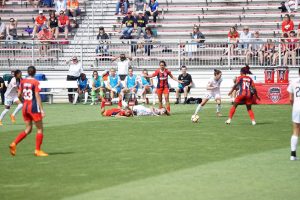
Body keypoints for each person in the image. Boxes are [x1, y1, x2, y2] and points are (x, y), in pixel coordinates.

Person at [9, 66, 48, 157]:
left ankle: (14, 144)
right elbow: (37, 96)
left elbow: (18, 94)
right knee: (40, 129)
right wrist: (41, 110)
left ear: (27, 72)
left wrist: (24, 101)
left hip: (25, 107)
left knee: (28, 129)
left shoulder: (23, 81)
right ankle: (37, 150)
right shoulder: (35, 82)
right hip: (33, 108)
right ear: (34, 72)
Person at [287, 67, 300, 161]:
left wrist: (293, 106)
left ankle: (293, 154)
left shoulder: (294, 81)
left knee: (295, 130)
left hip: (296, 108)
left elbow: (290, 99)